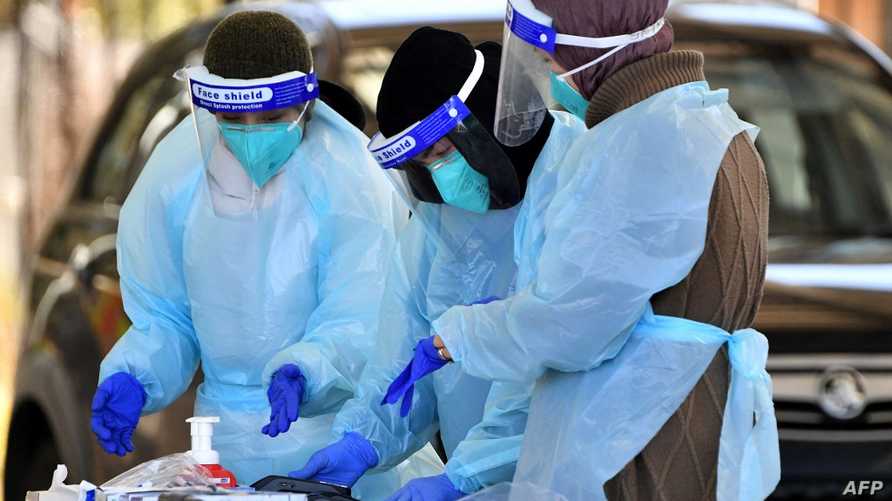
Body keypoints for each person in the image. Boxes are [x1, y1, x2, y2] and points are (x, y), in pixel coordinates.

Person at [381, 0, 781, 499]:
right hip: (675, 417)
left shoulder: (640, 141)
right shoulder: (704, 121)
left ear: (590, 53)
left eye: (551, 62)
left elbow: (571, 323)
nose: (548, 80)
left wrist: (462, 334)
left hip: (640, 438)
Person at [89, 11, 440, 498]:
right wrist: (135, 374)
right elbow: (166, 317)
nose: (252, 135)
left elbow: (363, 316)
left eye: (272, 119)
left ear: (306, 105)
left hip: (339, 442)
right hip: (222, 446)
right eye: (233, 121)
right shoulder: (176, 178)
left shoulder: (347, 179)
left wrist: (308, 370)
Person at [288, 28, 586, 501]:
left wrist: (464, 474)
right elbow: (403, 355)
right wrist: (363, 440)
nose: (440, 176)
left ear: (488, 120)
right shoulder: (438, 225)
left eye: (443, 151)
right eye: (423, 165)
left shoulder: (578, 181)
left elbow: (561, 366)